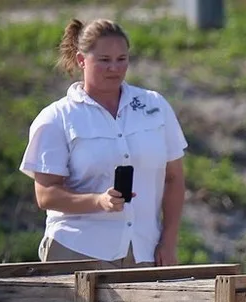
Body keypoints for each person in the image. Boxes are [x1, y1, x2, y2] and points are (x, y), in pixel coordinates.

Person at [19, 18, 187, 267]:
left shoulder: (155, 106)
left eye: (122, 59)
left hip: (143, 252)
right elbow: (46, 195)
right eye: (104, 60)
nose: (114, 68)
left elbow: (174, 178)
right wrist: (98, 202)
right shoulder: (56, 117)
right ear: (80, 60)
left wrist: (169, 241)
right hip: (77, 249)